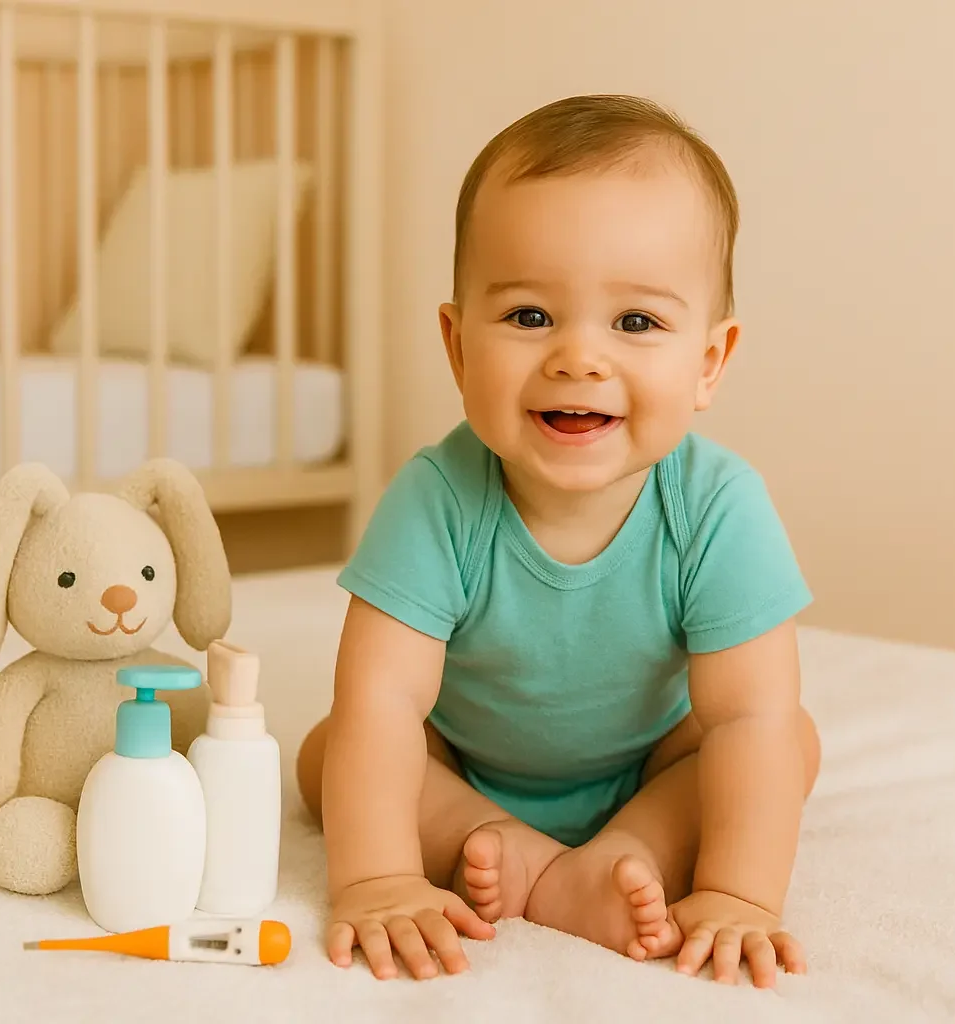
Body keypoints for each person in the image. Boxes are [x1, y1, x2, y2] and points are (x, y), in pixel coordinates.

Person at [296, 93, 820, 988]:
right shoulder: (436, 500)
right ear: (459, 349)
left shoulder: (719, 507)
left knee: (787, 742)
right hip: (465, 761)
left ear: (710, 361)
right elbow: (384, 704)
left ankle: (625, 848)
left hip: (650, 765)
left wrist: (739, 895)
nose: (579, 357)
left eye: (637, 322)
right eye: (531, 316)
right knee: (330, 751)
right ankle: (501, 847)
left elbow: (748, 716)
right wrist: (378, 878)